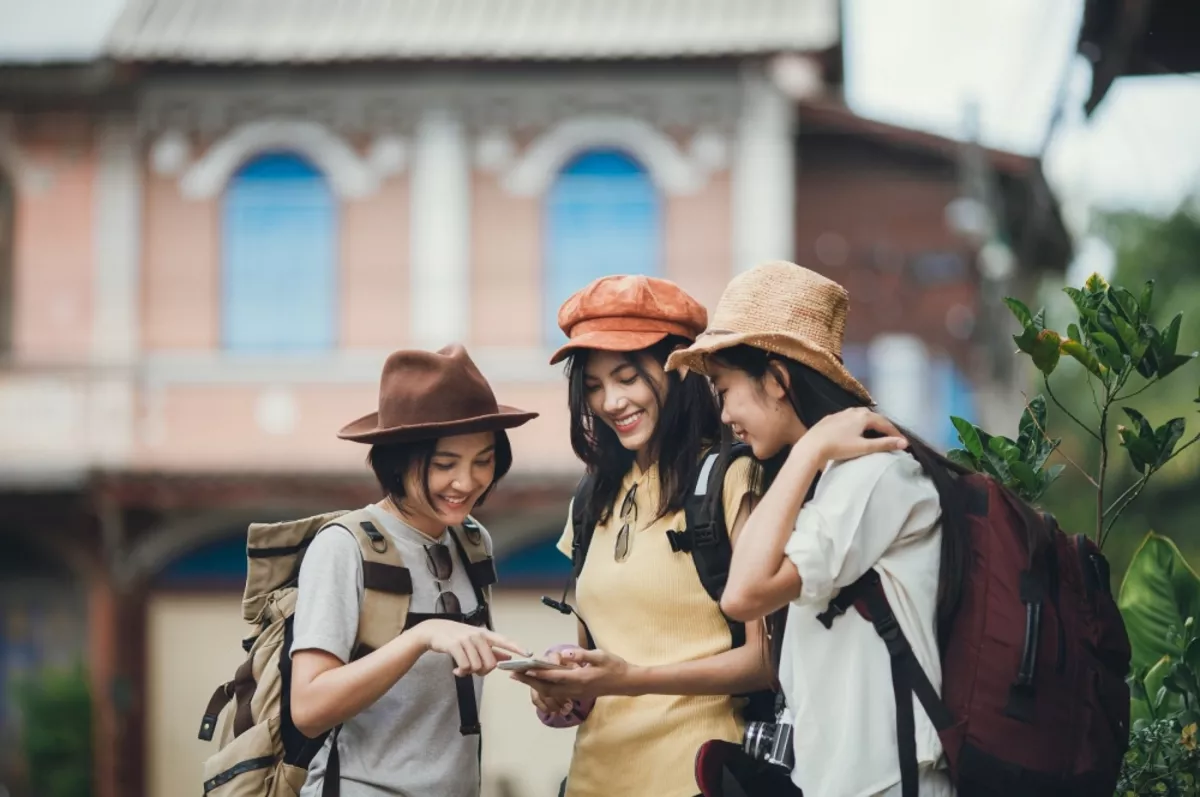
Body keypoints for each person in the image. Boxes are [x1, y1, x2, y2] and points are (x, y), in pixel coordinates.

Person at [666, 261, 962, 797]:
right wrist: (813, 453)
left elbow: (743, 593)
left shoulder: (876, 474)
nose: (725, 414)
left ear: (777, 380)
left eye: (725, 388)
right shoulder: (828, 481)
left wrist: (811, 448)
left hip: (891, 783)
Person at [515, 275, 774, 797]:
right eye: (592, 385)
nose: (609, 401)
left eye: (628, 377)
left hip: (697, 776)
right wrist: (561, 690)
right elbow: (599, 660)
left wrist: (630, 677)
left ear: (677, 371)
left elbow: (766, 662)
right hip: (594, 779)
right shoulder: (591, 499)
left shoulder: (729, 479)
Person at [289, 344, 536, 797]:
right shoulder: (344, 547)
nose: (467, 482)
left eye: (483, 460)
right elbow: (309, 706)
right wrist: (420, 637)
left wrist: (542, 678)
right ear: (398, 460)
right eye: (445, 464)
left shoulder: (472, 541)